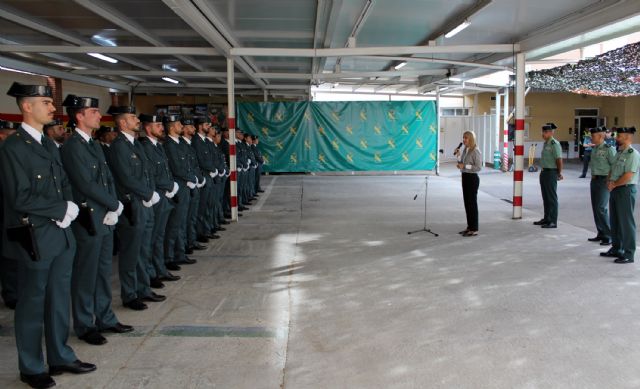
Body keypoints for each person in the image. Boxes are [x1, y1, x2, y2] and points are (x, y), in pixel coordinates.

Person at [1, 82, 96, 389]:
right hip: (36, 237)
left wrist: (68, 206)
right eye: (45, 102)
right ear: (26, 106)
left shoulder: (47, 144)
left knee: (57, 300)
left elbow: (63, 182)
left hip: (60, 235)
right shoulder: (14, 147)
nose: (52, 108)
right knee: (32, 302)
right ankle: (30, 366)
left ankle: (60, 356)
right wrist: (60, 209)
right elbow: (20, 197)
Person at [60, 95, 133, 346]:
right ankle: (84, 323)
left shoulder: (93, 144)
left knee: (102, 271)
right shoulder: (72, 147)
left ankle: (105, 316)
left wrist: (114, 204)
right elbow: (84, 183)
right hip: (89, 217)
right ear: (79, 115)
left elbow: (106, 179)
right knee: (86, 273)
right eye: (93, 111)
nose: (98, 115)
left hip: (105, 216)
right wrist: (113, 203)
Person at [107, 105, 164, 311]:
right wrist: (148, 193)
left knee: (143, 249)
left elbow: (147, 173)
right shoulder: (119, 146)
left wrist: (150, 193)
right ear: (123, 122)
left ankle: (144, 288)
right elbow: (126, 177)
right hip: (133, 205)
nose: (137, 121)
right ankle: (130, 294)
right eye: (133, 117)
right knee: (131, 252)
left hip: (145, 204)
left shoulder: (135, 145)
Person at [138, 114, 181, 286]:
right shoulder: (146, 147)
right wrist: (169, 185)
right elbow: (152, 175)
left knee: (159, 237)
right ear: (148, 129)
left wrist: (171, 186)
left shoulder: (158, 146)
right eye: (157, 125)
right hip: (155, 198)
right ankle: (150, 273)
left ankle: (159, 268)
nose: (161, 128)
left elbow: (165, 170)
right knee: (151, 239)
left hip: (164, 197)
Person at [601, 126, 639, 264]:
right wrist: (609, 181)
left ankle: (629, 253)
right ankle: (617, 248)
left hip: (625, 190)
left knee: (626, 223)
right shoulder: (619, 152)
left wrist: (615, 184)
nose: (617, 138)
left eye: (620, 136)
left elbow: (629, 175)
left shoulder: (632, 154)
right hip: (615, 189)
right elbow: (612, 168)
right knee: (615, 221)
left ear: (628, 137)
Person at [587, 126, 616, 246]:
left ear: (600, 136)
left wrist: (611, 181)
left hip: (604, 180)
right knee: (595, 207)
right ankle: (601, 232)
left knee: (601, 208)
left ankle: (608, 235)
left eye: (593, 136)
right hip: (594, 180)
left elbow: (614, 166)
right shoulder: (594, 149)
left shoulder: (609, 149)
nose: (591, 138)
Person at [533, 123, 563, 228]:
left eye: (545, 132)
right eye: (543, 132)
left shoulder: (555, 144)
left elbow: (559, 159)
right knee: (545, 197)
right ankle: (547, 218)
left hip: (551, 172)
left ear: (551, 133)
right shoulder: (546, 143)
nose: (543, 134)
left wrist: (559, 173)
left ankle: (553, 220)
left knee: (551, 198)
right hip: (544, 172)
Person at [455, 131, 482, 237]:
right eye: (463, 138)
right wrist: (458, 157)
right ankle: (469, 226)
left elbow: (478, 167)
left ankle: (474, 228)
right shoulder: (466, 149)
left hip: (472, 179)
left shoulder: (476, 151)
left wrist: (465, 167)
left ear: (471, 139)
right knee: (467, 203)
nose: (464, 140)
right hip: (465, 177)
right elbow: (461, 164)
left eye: (466, 138)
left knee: (472, 204)